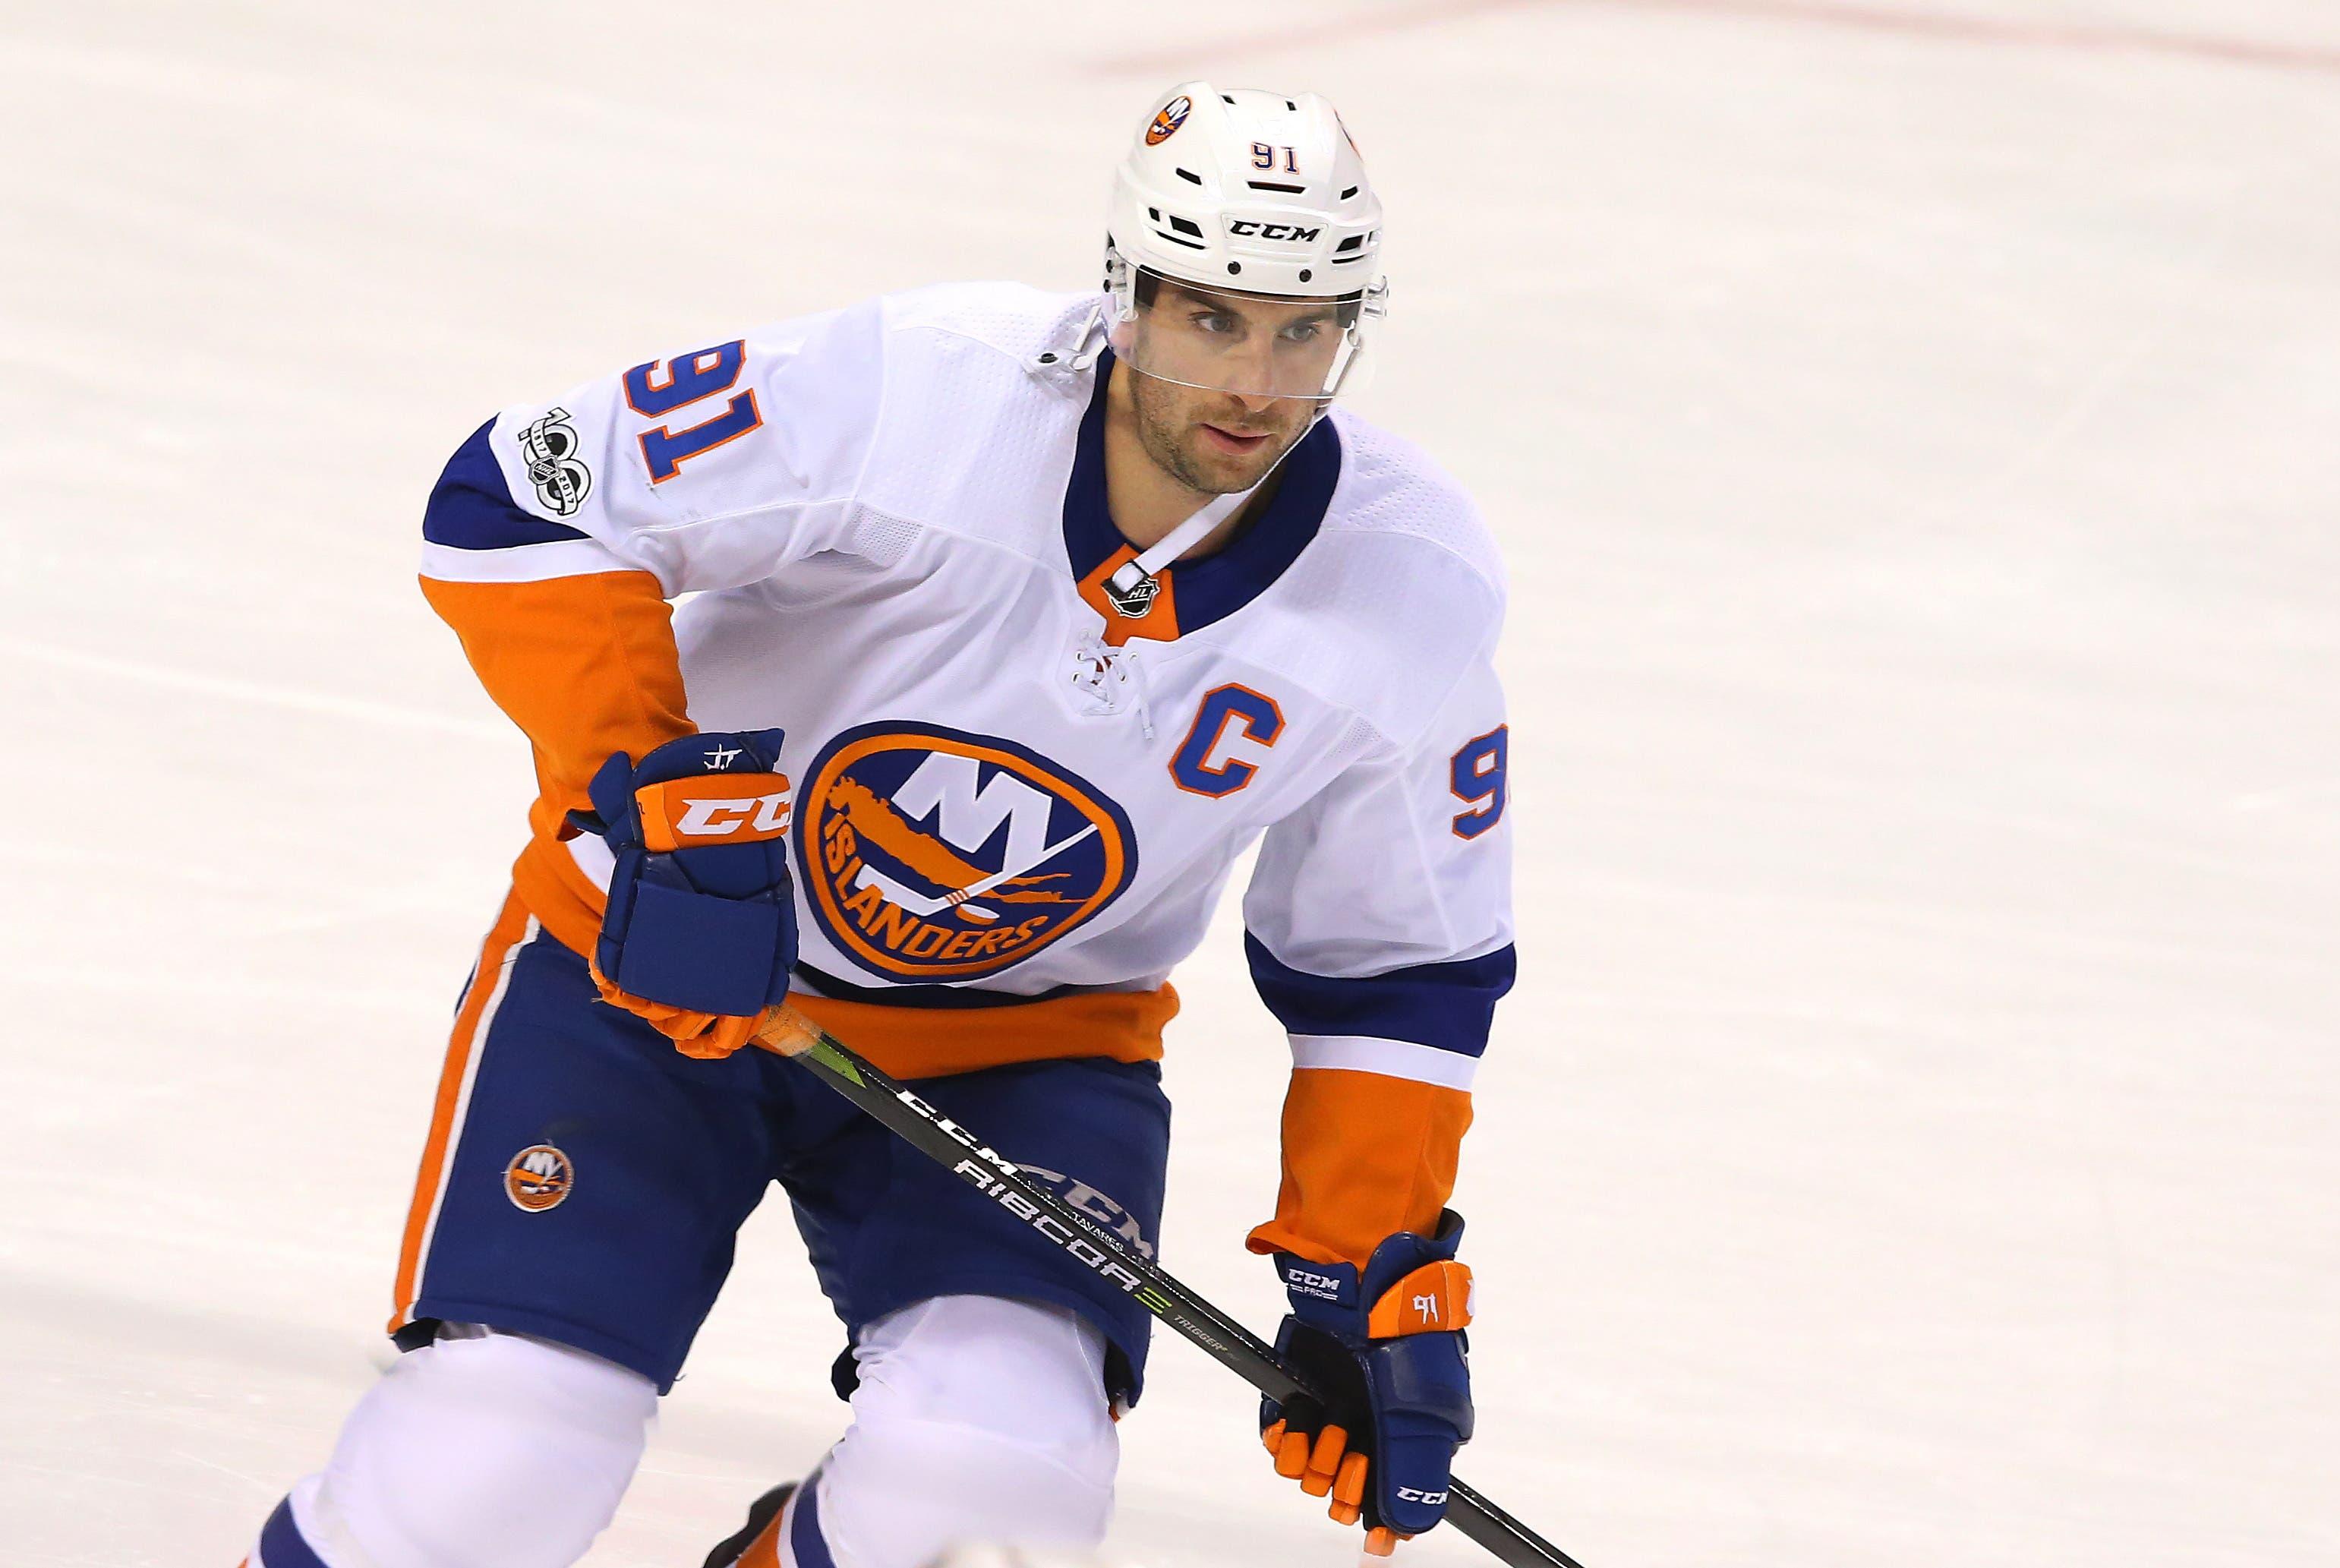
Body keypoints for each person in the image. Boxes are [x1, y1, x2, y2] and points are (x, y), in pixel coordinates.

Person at [238, 80, 1513, 1568]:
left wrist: (1364, 1265)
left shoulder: (1407, 583)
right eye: (1207, 319)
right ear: (1124, 293)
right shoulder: (923, 393)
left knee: (994, 1485)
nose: (1252, 379)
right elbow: (524, 493)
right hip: (647, 984)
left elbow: (1397, 961)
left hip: (1020, 1054)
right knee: (494, 1460)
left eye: (1302, 328)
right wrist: (669, 806)